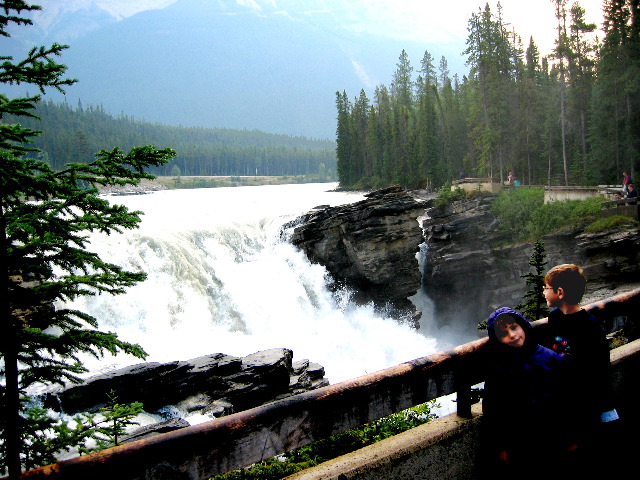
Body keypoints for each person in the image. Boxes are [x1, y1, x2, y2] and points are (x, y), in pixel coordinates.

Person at [539, 264, 619, 472]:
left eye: (546, 287)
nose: (543, 292)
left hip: (587, 415)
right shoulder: (555, 318)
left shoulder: (590, 330)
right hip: (565, 409)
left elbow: (596, 382)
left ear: (560, 292)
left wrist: (577, 432)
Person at [479, 307, 574, 479]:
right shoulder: (498, 369)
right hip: (520, 443)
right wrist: (500, 447)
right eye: (504, 333)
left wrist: (572, 436)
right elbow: (493, 411)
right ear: (497, 340)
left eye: (514, 328)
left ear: (523, 326)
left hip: (554, 436)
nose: (512, 335)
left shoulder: (550, 358)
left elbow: (568, 398)